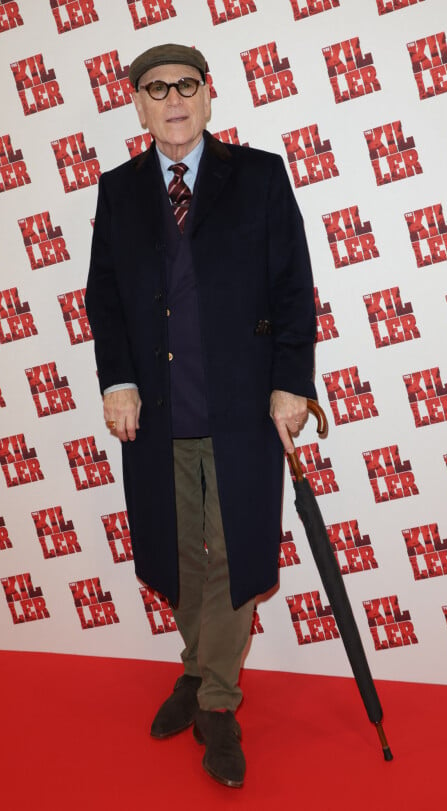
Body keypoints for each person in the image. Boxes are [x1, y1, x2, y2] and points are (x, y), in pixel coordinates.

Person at [85, 42, 316, 789]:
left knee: (234, 552)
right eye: (156, 89)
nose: (173, 98)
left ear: (209, 96)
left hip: (244, 404)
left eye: (186, 84)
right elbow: (106, 298)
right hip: (156, 409)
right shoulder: (118, 190)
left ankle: (214, 698)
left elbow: (292, 289)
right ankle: (197, 669)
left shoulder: (258, 176)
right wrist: (116, 379)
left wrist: (292, 383)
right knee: (179, 553)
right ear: (139, 104)